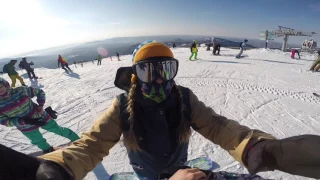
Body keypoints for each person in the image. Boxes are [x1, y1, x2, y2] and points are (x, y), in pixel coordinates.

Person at [30, 42, 319, 180]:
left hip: (178, 163)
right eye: (148, 71)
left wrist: (254, 146)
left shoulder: (183, 98)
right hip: (146, 168)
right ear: (135, 75)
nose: (158, 79)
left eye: (165, 69)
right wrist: (59, 165)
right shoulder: (122, 107)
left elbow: (218, 126)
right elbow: (92, 143)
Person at [0, 78, 79, 153]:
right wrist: (22, 121)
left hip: (40, 116)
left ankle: (77, 140)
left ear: (5, 84)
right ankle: (48, 150)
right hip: (25, 126)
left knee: (58, 129)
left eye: (0, 86)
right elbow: (3, 121)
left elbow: (39, 92)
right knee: (37, 140)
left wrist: (41, 105)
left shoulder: (21, 90)